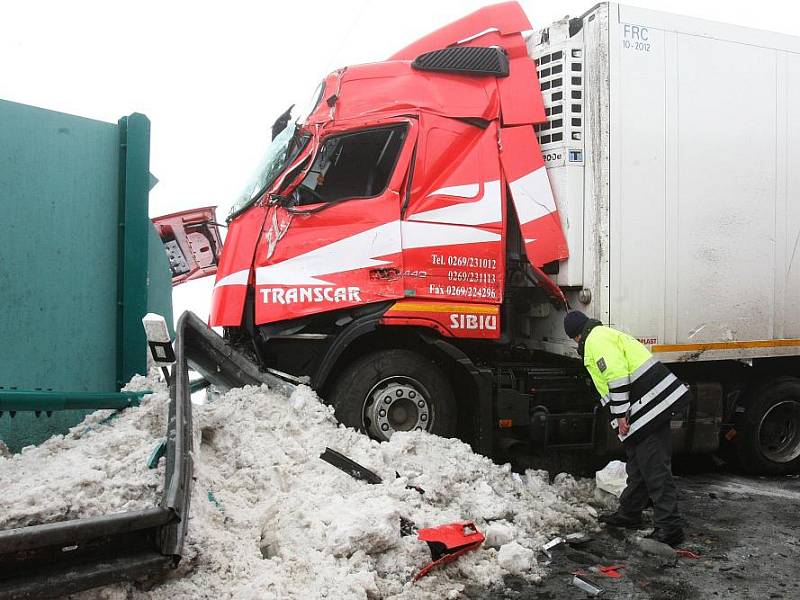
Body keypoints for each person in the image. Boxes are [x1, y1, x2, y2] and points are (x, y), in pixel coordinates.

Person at [563, 310, 690, 547]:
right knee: (639, 463)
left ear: (576, 336)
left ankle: (670, 528)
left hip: (649, 409)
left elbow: (617, 375)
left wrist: (621, 414)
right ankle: (630, 512)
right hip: (648, 406)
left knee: (654, 467)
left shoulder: (596, 340)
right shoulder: (602, 335)